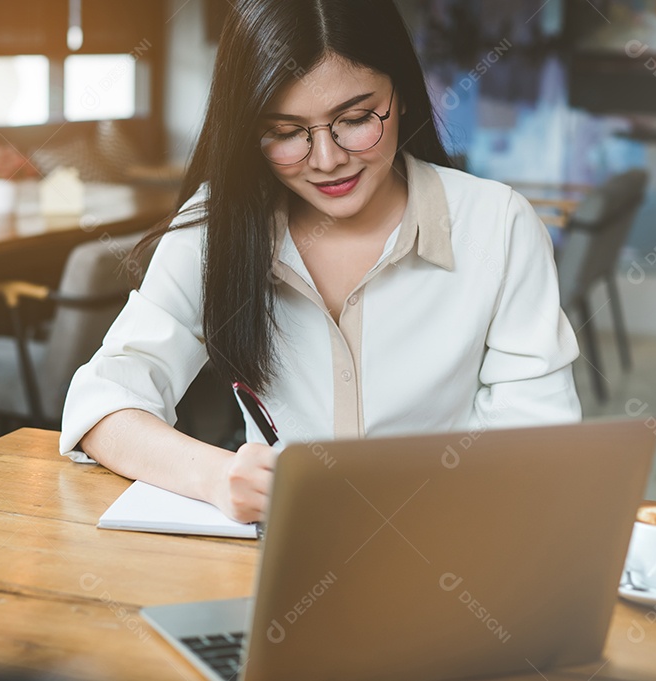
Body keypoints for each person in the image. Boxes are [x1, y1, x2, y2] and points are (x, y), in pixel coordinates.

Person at [60, 0, 581, 523]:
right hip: (280, 562)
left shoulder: (497, 225)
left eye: (355, 120)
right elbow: (103, 402)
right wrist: (215, 476)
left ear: (400, 95)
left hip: (449, 552)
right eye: (285, 132)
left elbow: (539, 450)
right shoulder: (217, 225)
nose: (327, 159)